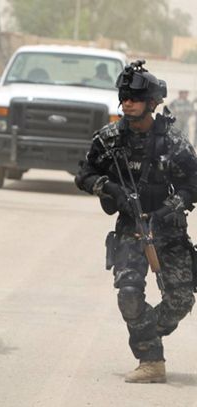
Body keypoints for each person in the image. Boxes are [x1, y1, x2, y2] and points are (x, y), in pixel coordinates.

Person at [76, 60, 197, 383]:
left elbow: (192, 183)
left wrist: (171, 208)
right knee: (129, 292)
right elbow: (85, 174)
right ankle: (151, 360)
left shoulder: (172, 140)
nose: (127, 101)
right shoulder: (109, 139)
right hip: (131, 229)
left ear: (153, 103)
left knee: (181, 300)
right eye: (124, 95)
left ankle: (146, 333)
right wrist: (110, 188)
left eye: (135, 96)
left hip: (168, 229)